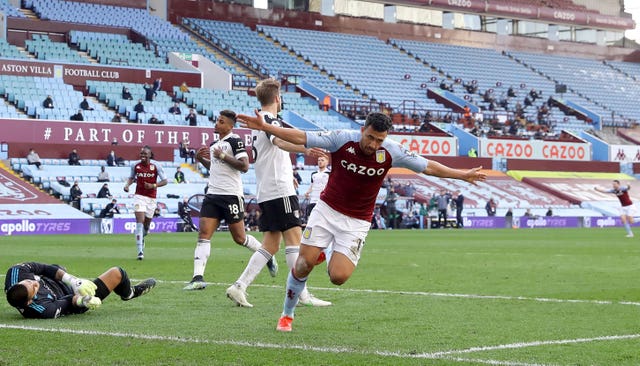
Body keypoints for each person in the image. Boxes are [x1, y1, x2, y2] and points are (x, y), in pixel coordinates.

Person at [236, 109, 486, 332]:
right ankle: (287, 314)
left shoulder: (392, 151)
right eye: (371, 137)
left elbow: (427, 166)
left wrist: (462, 175)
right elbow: (302, 136)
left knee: (339, 277)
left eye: (380, 140)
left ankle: (328, 251)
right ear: (362, 130)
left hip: (357, 222)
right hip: (327, 211)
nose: (374, 144)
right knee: (303, 264)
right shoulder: (342, 139)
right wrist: (266, 127)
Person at [225, 78, 329, 308]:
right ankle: (301, 295)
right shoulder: (269, 120)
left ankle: (239, 286)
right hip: (279, 189)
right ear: (276, 98)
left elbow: (272, 151)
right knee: (295, 239)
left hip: (269, 188)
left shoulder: (261, 122)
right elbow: (280, 142)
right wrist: (306, 148)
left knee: (271, 245)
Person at [183, 110, 277, 291]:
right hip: (212, 195)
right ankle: (198, 278)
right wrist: (200, 159)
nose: (216, 124)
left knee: (240, 238)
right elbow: (214, 169)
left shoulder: (235, 141)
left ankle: (267, 255)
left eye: (221, 121)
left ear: (230, 126)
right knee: (203, 234)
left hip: (231, 195)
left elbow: (244, 166)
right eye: (217, 120)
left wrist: (223, 156)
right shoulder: (213, 145)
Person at [4, 261, 155, 319]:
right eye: (35, 288)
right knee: (118, 272)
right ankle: (129, 294)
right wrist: (84, 300)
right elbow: (69, 303)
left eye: (31, 281)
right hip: (72, 296)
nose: (35, 283)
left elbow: (43, 268)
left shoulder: (16, 272)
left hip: (59, 283)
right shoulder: (42, 310)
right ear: (30, 301)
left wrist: (73, 280)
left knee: (58, 267)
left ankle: (67, 278)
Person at [123, 146, 168, 260]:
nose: (142, 155)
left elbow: (165, 181)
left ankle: (142, 236)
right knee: (140, 221)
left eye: (145, 154)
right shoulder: (135, 165)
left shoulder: (156, 166)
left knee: (146, 226)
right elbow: (131, 178)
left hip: (151, 198)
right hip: (139, 196)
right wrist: (127, 185)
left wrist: (153, 185)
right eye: (141, 154)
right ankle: (140, 251)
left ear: (150, 155)